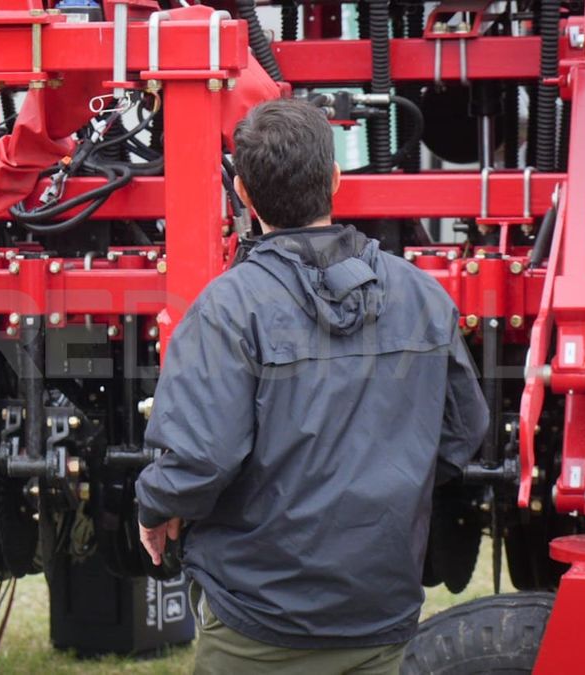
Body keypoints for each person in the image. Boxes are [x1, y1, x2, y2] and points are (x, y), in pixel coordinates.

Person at [133, 98, 490, 674]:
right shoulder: (421, 295)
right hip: (380, 610)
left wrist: (155, 507)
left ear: (243, 194)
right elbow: (463, 431)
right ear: (335, 180)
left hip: (258, 620)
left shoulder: (227, 308)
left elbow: (202, 457)